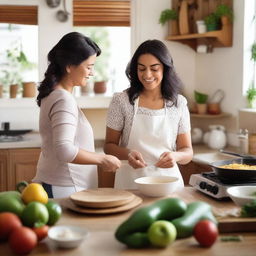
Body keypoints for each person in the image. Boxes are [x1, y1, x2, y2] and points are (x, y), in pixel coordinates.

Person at [33, 32, 121, 198]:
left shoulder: (53, 95)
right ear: (69, 66)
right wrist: (102, 159)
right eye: (89, 67)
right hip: (65, 187)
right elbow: (64, 150)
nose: (92, 73)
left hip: (57, 184)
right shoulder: (63, 99)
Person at [104, 39, 193, 190]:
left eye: (154, 68)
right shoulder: (122, 101)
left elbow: (187, 151)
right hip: (130, 183)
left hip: (168, 184)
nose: (147, 74)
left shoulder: (179, 103)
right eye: (142, 69)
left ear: (165, 68)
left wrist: (176, 156)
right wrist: (128, 153)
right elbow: (109, 146)